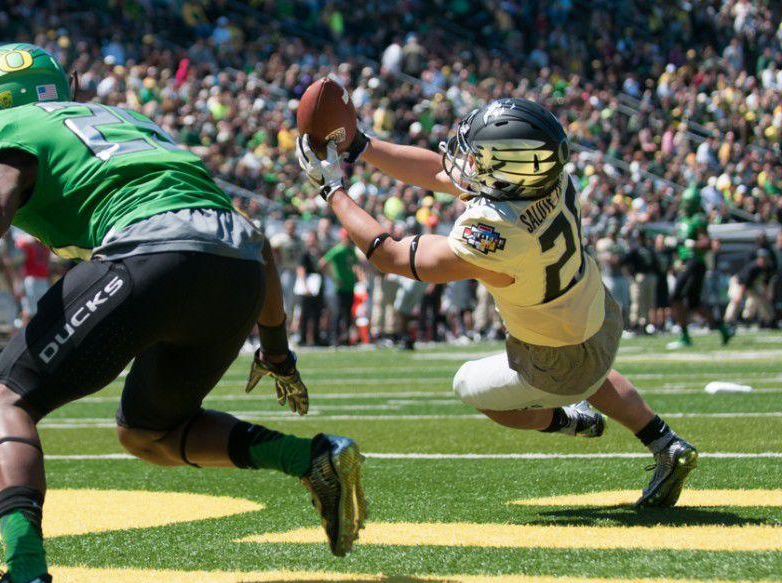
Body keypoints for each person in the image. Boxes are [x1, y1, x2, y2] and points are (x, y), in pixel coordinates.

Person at [0, 44, 366, 583]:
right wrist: (277, 353)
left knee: (7, 400)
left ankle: (25, 575)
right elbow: (255, 239)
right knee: (149, 432)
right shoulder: (131, 121)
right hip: (238, 264)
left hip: (150, 251)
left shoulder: (5, 128)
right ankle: (311, 458)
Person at [298, 96, 698, 510]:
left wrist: (333, 190)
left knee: (472, 387)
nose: (468, 160)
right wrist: (361, 145)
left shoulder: (496, 228)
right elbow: (439, 172)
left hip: (553, 349)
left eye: (481, 154)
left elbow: (392, 255)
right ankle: (666, 443)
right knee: (592, 375)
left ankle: (569, 420)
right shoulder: (553, 177)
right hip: (596, 312)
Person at [668, 187, 732, 349]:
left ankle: (685, 336)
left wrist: (692, 244)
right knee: (693, 304)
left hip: (695, 262)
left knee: (676, 297)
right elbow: (678, 243)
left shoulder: (698, 219)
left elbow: (707, 243)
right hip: (685, 263)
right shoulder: (682, 220)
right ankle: (723, 329)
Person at [320, 228, 361, 345]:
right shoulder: (338, 250)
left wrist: (356, 277)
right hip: (339, 287)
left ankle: (346, 338)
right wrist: (333, 278)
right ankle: (334, 339)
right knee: (337, 313)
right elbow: (322, 263)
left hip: (350, 285)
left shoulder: (351, 251)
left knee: (348, 313)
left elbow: (355, 265)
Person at [269, 219, 302, 328]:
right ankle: (285, 327)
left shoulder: (299, 240)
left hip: (297, 272)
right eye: (289, 227)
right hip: (285, 270)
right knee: (286, 301)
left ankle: (291, 327)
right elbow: (270, 250)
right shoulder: (279, 239)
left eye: (292, 227)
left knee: (295, 301)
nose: (291, 229)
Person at [16, 233, 52, 324]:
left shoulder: (46, 244)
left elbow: (47, 264)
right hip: (31, 279)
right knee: (28, 310)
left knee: (44, 309)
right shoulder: (27, 243)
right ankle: (24, 335)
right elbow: (19, 260)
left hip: (43, 279)